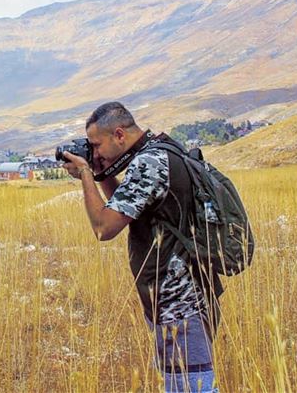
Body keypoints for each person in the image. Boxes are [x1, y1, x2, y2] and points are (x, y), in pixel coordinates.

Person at [62, 101, 223, 393]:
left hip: (181, 304)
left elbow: (104, 227)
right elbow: (127, 205)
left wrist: (87, 173)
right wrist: (102, 172)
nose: (95, 153)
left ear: (119, 135)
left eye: (97, 146)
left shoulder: (150, 162)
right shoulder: (158, 151)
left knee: (192, 389)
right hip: (177, 301)